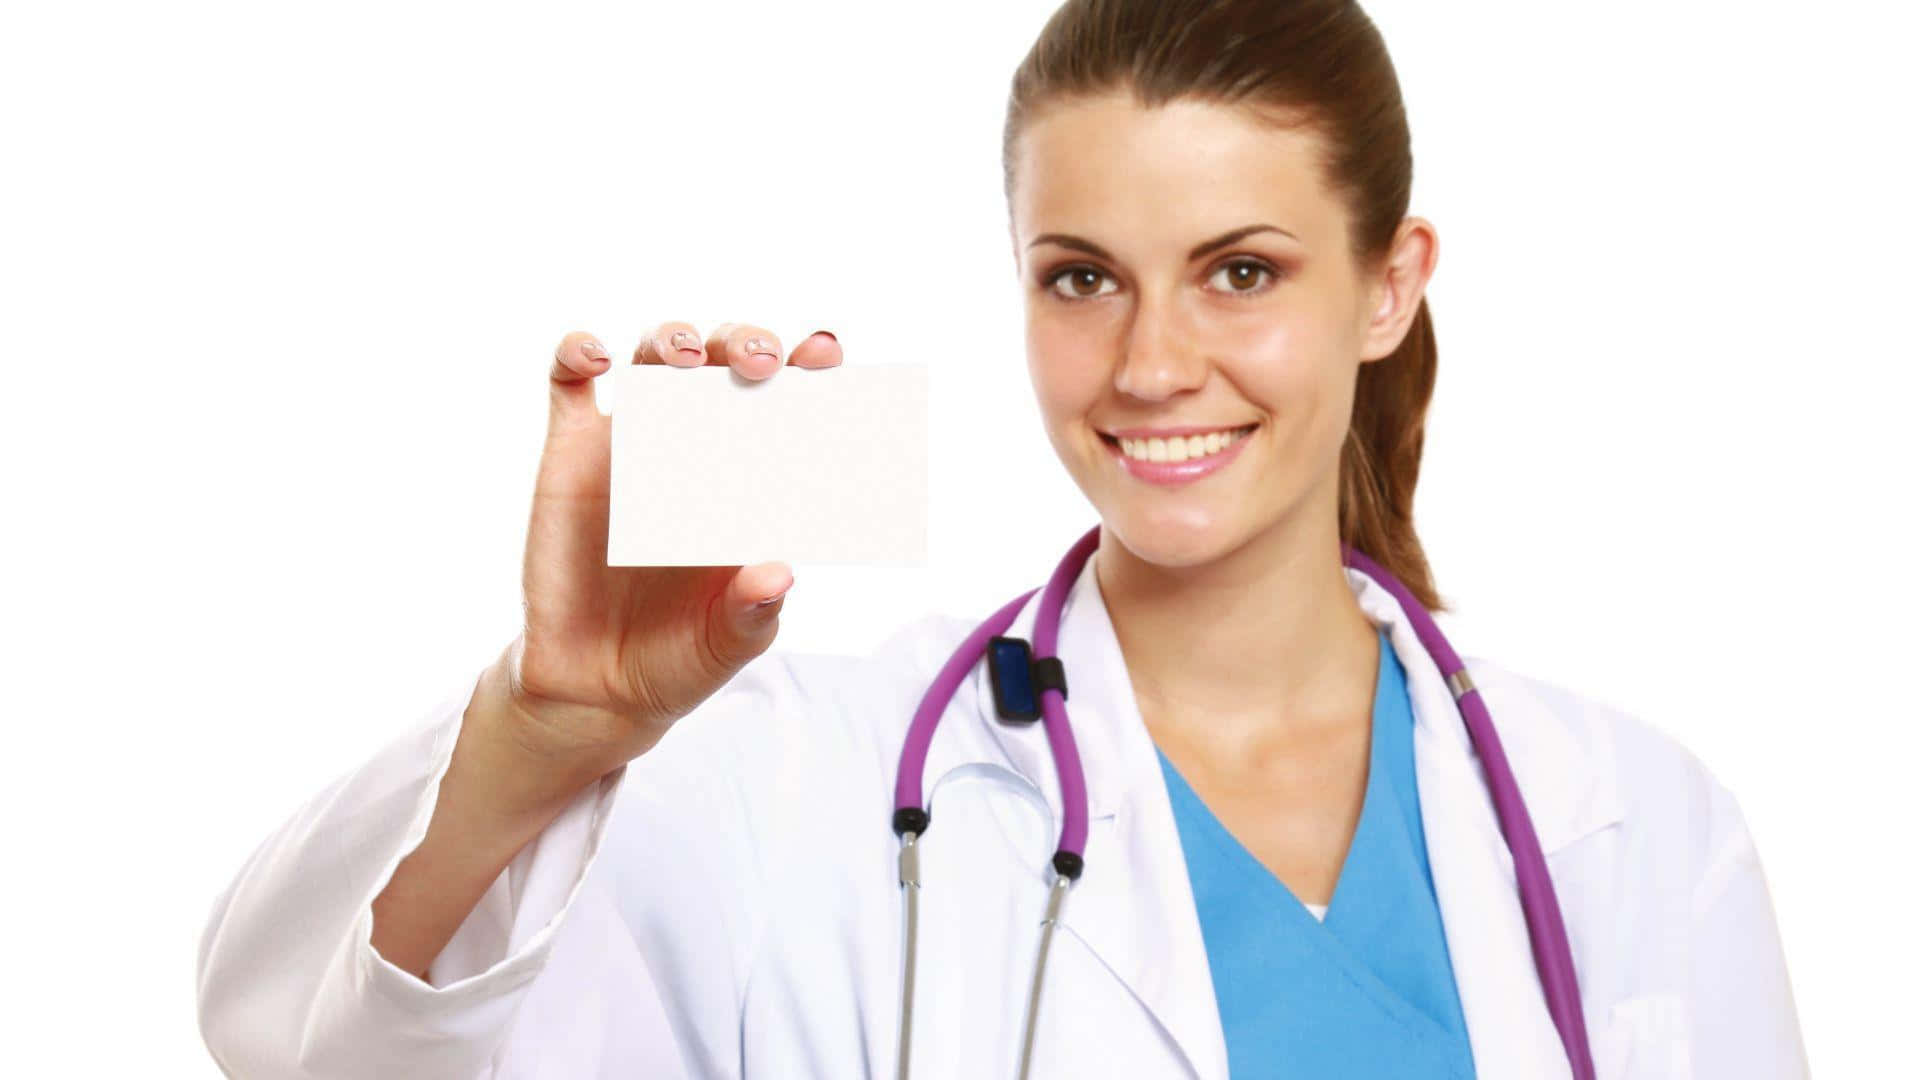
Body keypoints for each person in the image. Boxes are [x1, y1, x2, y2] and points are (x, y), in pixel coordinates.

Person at [194, 1, 1808, 1076]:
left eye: (1241, 271)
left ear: (1389, 284)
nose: (1152, 363)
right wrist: (551, 725)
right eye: (1081, 275)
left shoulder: (1637, 828)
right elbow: (303, 1045)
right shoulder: (804, 775)